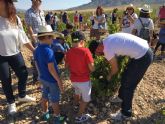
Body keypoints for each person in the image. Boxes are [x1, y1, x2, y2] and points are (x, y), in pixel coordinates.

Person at [89, 33, 153, 121]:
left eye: (96, 53)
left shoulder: (107, 50)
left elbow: (115, 69)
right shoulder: (108, 39)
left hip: (142, 57)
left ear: (98, 48)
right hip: (143, 50)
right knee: (126, 76)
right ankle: (121, 97)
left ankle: (126, 114)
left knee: (128, 86)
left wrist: (109, 76)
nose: (99, 55)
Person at [0, 0, 36, 115]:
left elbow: (23, 37)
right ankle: (11, 102)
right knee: (6, 80)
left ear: (7, 3)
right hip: (1, 56)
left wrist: (34, 51)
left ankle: (22, 95)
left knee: (24, 74)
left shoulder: (15, 19)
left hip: (15, 52)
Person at [34, 25, 65, 123]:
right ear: (47, 37)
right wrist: (59, 81)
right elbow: (51, 69)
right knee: (55, 100)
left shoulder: (37, 49)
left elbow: (36, 63)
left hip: (43, 78)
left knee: (45, 96)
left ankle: (45, 114)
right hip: (52, 80)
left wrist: (39, 75)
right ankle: (57, 118)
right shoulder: (49, 51)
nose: (53, 39)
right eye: (51, 37)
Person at [65, 31, 95, 123]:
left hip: (74, 79)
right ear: (82, 41)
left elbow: (66, 66)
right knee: (85, 100)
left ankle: (75, 106)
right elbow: (92, 68)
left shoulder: (69, 52)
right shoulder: (86, 51)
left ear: (72, 41)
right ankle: (79, 116)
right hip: (84, 80)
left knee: (77, 92)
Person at [25, 0, 46, 82]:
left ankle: (44, 74)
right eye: (38, 0)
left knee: (44, 56)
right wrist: (34, 40)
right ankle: (36, 76)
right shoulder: (28, 12)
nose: (40, 2)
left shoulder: (42, 12)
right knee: (36, 57)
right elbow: (29, 28)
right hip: (36, 39)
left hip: (44, 38)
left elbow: (44, 25)